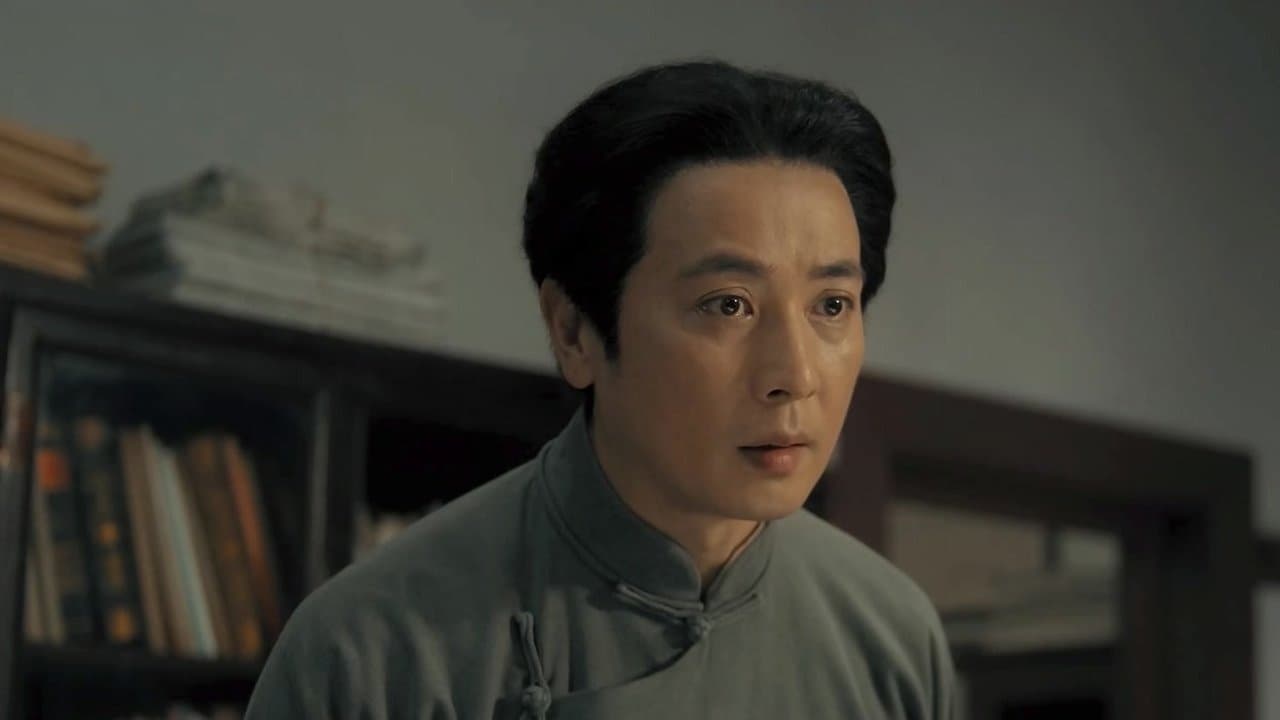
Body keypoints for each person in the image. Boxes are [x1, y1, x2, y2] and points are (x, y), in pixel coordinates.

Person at [245, 59, 956, 719]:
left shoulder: (891, 641)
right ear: (574, 332)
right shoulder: (372, 649)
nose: (794, 376)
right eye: (728, 304)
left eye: (831, 305)